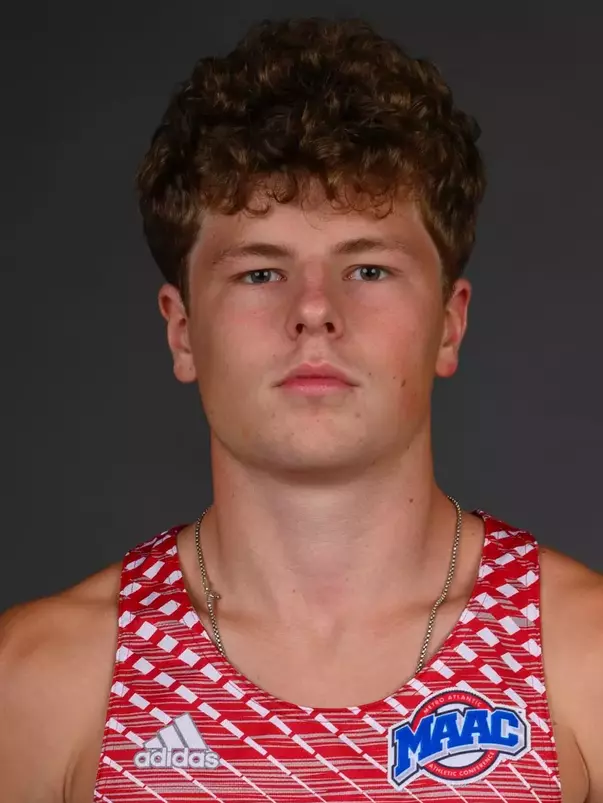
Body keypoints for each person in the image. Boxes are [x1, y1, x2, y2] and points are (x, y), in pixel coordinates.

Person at [1, 16, 601, 803]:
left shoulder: (582, 663)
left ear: (449, 324)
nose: (313, 312)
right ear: (181, 331)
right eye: (259, 273)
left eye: (369, 268)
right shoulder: (42, 682)